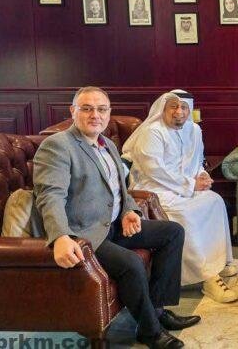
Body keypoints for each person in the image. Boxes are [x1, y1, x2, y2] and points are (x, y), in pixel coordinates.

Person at [32, 86, 199, 349]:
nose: (95, 115)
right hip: (85, 232)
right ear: (73, 111)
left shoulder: (107, 144)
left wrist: (129, 211)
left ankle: (157, 310)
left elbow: (120, 188)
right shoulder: (58, 145)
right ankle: (149, 331)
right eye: (87, 109)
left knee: (173, 232)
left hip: (113, 224)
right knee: (131, 263)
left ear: (109, 113)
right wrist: (61, 236)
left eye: (101, 109)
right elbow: (50, 195)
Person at [123, 91, 237, 304]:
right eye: (173, 107)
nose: (179, 112)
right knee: (185, 213)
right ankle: (207, 276)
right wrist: (191, 184)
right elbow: (154, 170)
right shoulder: (152, 132)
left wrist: (202, 176)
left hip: (184, 185)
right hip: (154, 189)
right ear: (163, 109)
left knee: (215, 201)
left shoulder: (194, 130)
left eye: (184, 107)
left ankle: (219, 262)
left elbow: (198, 161)